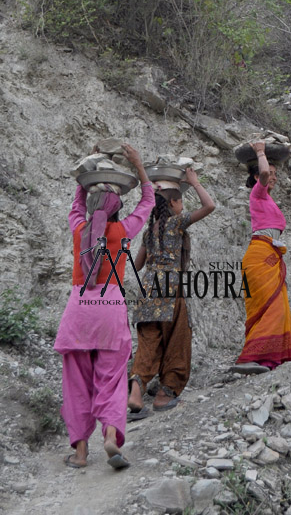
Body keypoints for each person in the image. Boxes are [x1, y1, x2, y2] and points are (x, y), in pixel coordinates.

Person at [54, 143, 155, 470]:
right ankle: (111, 435)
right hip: (111, 309)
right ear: (115, 208)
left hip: (79, 311)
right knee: (111, 379)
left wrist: (87, 172)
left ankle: (81, 454)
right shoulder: (122, 230)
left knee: (77, 382)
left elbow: (77, 203)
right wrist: (139, 167)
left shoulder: (78, 228)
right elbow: (149, 201)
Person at [127, 168, 214, 414]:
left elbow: (138, 265)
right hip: (170, 288)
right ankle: (165, 395)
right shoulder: (177, 223)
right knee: (178, 339)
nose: (182, 206)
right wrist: (196, 182)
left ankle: (136, 388)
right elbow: (209, 207)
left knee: (148, 342)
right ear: (174, 203)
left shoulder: (148, 232)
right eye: (181, 202)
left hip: (147, 288)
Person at [232, 140, 291, 375]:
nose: (273, 177)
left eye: (275, 174)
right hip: (260, 256)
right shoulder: (257, 194)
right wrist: (260, 151)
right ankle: (250, 357)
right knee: (269, 307)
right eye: (270, 173)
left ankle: (271, 357)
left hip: (269, 255)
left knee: (277, 306)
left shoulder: (267, 200)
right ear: (256, 176)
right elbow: (261, 173)